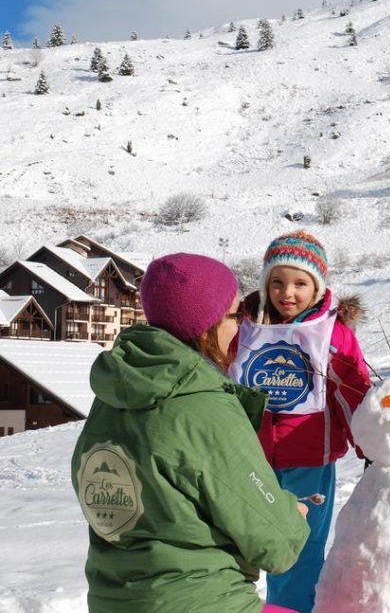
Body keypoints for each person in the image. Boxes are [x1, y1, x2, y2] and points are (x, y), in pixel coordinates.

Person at [71, 252, 310, 613]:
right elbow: (275, 543)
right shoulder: (203, 407)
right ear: (205, 327)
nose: (241, 326)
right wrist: (293, 514)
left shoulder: (112, 397)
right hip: (202, 602)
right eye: (234, 315)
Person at [230, 230, 371, 613]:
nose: (286, 293)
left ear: (317, 286)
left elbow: (353, 392)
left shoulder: (331, 333)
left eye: (299, 283)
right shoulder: (243, 328)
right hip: (249, 461)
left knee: (298, 554)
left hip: (309, 461)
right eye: (276, 282)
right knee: (238, 549)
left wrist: (371, 447)